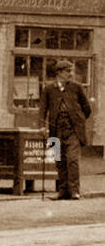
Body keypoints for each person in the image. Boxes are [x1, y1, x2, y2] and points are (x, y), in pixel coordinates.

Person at [41, 59, 92, 200]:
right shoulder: (48, 89)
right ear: (59, 73)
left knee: (72, 160)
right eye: (68, 71)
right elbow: (43, 109)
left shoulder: (77, 87)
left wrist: (78, 120)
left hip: (73, 131)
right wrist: (42, 126)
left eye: (72, 71)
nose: (71, 74)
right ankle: (63, 191)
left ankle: (75, 191)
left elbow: (87, 108)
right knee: (59, 161)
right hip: (55, 130)